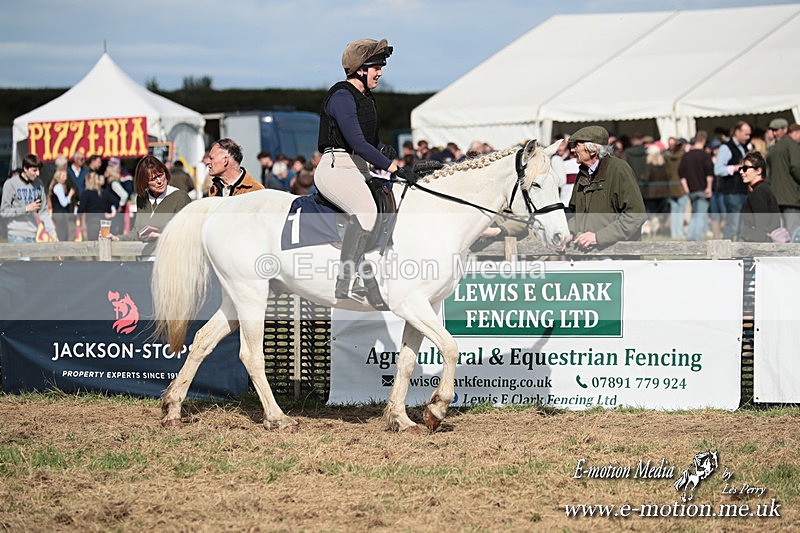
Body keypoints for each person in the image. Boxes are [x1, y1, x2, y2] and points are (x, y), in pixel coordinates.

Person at [315, 38, 419, 300]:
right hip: (336, 167)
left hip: (358, 168)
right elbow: (357, 143)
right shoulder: (341, 96)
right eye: (376, 67)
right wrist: (392, 167)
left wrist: (386, 152)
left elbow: (371, 142)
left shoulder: (366, 99)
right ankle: (346, 282)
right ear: (360, 69)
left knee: (390, 201)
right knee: (366, 211)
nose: (380, 72)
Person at [566, 125, 646, 249]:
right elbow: (575, 213)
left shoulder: (619, 169)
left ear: (592, 150)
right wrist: (570, 232)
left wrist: (598, 237)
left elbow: (635, 216)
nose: (572, 150)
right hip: (586, 257)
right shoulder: (583, 173)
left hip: (616, 257)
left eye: (576, 145)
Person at [109, 155, 192, 256]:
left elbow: (186, 236)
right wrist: (117, 238)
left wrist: (159, 236)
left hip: (168, 261)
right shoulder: (142, 198)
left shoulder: (180, 197)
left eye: (161, 175)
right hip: (143, 262)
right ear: (145, 182)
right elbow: (138, 233)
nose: (159, 181)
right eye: (153, 179)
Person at [1, 154, 58, 243]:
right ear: (25, 169)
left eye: (39, 170)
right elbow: (4, 211)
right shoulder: (10, 184)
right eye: (34, 170)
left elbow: (43, 212)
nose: (38, 173)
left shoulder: (39, 184)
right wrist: (26, 209)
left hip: (33, 234)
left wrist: (53, 234)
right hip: (16, 235)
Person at [714, 121, 752, 240]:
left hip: (743, 191)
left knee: (742, 227)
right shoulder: (726, 147)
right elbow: (718, 169)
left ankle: (739, 253)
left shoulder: (744, 147)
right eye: (746, 134)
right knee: (733, 226)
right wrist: (736, 168)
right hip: (732, 193)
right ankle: (726, 253)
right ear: (737, 132)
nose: (748, 137)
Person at [766, 119, 800, 237]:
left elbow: (768, 174)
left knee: (780, 234)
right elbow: (796, 167)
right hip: (791, 196)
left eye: (776, 130)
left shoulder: (772, 149)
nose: (774, 133)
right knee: (793, 231)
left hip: (776, 196)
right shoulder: (792, 145)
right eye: (773, 130)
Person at [738, 151, 781, 242]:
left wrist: (757, 248)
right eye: (741, 168)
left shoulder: (759, 191)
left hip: (757, 243)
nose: (741, 172)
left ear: (758, 171)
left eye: (745, 168)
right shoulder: (761, 189)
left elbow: (761, 224)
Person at [679, 131, 714, 241]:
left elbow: (681, 174)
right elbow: (709, 174)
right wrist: (709, 187)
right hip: (702, 189)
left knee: (694, 214)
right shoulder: (705, 156)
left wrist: (686, 188)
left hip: (691, 190)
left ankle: (690, 237)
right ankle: (696, 239)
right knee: (700, 215)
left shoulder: (686, 156)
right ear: (703, 141)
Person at [639, 145, 670, 236]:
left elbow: (646, 177)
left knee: (651, 214)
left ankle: (652, 231)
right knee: (660, 214)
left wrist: (642, 177)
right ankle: (659, 230)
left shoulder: (649, 166)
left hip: (650, 194)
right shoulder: (664, 165)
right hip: (663, 193)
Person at [665, 138, 688, 239]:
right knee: (681, 211)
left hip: (671, 186)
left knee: (674, 212)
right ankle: (679, 233)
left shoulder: (670, 158)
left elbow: (667, 173)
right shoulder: (684, 157)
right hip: (682, 186)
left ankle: (674, 233)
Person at [48, 168, 78, 241]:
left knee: (63, 235)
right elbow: (64, 203)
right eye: (63, 176)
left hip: (60, 215)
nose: (65, 178)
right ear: (58, 176)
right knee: (62, 236)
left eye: (66, 176)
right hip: (60, 215)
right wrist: (70, 195)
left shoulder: (60, 186)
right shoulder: (58, 187)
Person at [78, 172, 107, 241]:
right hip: (103, 221)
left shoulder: (85, 194)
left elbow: (81, 210)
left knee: (92, 243)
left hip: (91, 222)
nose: (84, 183)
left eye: (85, 181)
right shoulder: (102, 193)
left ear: (88, 181)